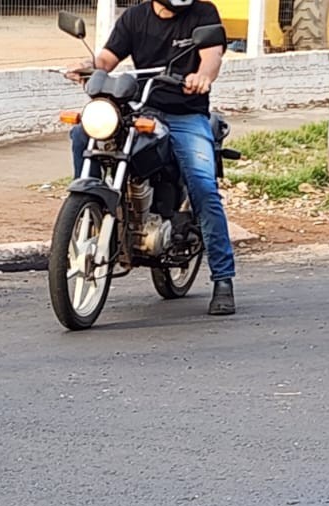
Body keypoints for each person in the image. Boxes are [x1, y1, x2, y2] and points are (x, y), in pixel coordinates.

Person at [65, 0, 236, 316]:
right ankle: (91, 210)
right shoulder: (135, 17)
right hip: (142, 110)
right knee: (82, 132)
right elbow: (108, 57)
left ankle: (223, 278)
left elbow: (211, 56)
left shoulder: (203, 13)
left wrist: (202, 77)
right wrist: (90, 67)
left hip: (186, 114)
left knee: (204, 187)